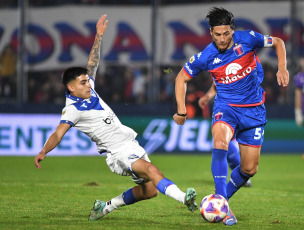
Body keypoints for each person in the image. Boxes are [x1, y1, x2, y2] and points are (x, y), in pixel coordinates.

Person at [34, 14, 197, 221]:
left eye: (87, 80)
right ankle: (185, 199)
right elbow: (58, 134)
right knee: (151, 169)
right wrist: (43, 151)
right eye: (83, 82)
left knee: (150, 191)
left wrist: (98, 37)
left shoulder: (88, 89)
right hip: (118, 152)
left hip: (131, 145)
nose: (88, 83)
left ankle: (106, 207)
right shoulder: (72, 109)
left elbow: (93, 63)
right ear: (71, 87)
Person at [173, 7, 289, 226]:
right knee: (220, 142)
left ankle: (219, 200)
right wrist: (181, 110)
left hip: (254, 110)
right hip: (226, 107)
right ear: (210, 33)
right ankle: (223, 206)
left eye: (226, 33)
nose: (222, 38)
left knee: (249, 169)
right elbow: (180, 78)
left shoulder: (248, 39)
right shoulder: (206, 56)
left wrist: (282, 67)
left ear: (232, 30)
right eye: (217, 34)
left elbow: (278, 42)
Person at [198, 81, 252, 188]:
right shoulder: (219, 68)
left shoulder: (240, 69)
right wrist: (208, 96)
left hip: (241, 107)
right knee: (223, 142)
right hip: (224, 108)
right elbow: (215, 85)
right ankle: (238, 177)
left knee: (227, 144)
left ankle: (242, 175)